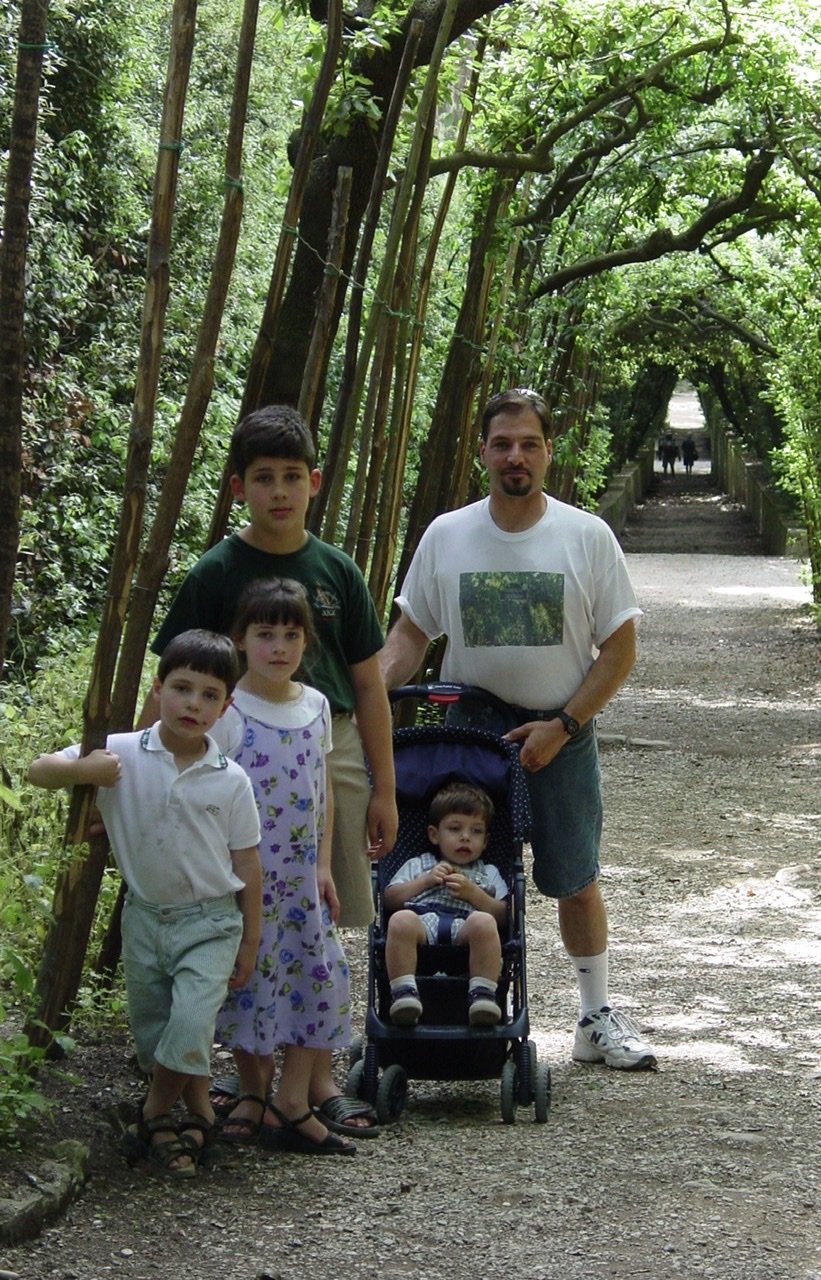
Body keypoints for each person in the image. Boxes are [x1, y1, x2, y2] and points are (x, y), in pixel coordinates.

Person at [379, 387, 657, 1071]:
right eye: (502, 444)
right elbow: (411, 634)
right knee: (459, 866)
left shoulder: (585, 536)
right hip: (472, 733)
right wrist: (366, 691)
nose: (516, 457)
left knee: (574, 875)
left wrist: (564, 723)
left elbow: (619, 649)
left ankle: (594, 1017)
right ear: (482, 452)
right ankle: (444, 1005)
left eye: (529, 444)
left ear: (548, 452)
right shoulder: (447, 534)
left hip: (561, 728)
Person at [143, 403, 396, 1131]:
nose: (278, 491)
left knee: (324, 916)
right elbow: (171, 681)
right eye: (263, 478)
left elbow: (369, 684)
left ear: (314, 482)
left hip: (325, 750)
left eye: (291, 476)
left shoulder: (336, 570)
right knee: (236, 920)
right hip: (231, 756)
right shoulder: (217, 571)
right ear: (238, 488)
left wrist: (384, 786)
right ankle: (251, 1079)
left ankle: (313, 1082)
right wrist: (140, 769)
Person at [27, 630, 262, 1178]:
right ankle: (200, 1111)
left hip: (212, 921)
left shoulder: (231, 781)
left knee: (191, 1021)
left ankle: (154, 1110)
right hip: (144, 918)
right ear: (158, 689)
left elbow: (249, 865)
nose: (193, 704)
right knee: (155, 1030)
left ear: (226, 706)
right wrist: (83, 771)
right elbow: (38, 771)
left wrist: (250, 939)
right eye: (182, 688)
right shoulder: (123, 752)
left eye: (209, 695)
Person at [210, 578, 361, 1154]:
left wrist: (324, 863)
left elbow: (322, 790)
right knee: (247, 980)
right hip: (246, 880)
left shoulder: (316, 705)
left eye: (291, 635)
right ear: (240, 639)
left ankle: (293, 1098)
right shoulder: (227, 710)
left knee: (320, 976)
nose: (279, 647)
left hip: (301, 880)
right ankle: (254, 1091)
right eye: (265, 634)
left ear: (307, 641)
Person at [384, 781, 508, 1027]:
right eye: (455, 829)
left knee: (485, 922)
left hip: (466, 927)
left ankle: (483, 996)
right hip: (422, 923)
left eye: (476, 831)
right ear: (434, 834)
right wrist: (425, 881)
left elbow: (505, 915)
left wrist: (474, 894)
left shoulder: (489, 872)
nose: (465, 837)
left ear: (485, 841)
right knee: (400, 920)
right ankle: (404, 994)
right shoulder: (418, 864)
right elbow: (390, 899)